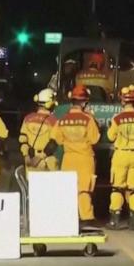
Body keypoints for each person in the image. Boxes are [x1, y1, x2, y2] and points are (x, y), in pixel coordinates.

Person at [51, 84, 100, 226]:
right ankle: (86, 218)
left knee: (69, 189)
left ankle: (68, 218)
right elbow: (95, 139)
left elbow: (55, 139)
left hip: (68, 159)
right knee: (84, 189)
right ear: (84, 102)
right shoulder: (88, 119)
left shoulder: (63, 119)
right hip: (85, 159)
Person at [106, 85, 134, 230]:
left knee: (117, 188)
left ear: (123, 101)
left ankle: (114, 220)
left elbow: (110, 137)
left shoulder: (117, 118)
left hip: (121, 155)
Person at [19, 88, 59, 172]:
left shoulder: (27, 118)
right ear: (50, 103)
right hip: (46, 161)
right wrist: (40, 157)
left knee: (31, 184)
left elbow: (23, 139)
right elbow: (53, 143)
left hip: (30, 160)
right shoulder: (54, 120)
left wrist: (26, 156)